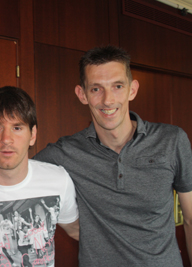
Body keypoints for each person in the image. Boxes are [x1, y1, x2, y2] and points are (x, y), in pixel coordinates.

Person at [34, 45, 192, 266]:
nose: (108, 100)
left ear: (132, 89)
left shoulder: (172, 140)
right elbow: (16, 177)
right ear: (82, 94)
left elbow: (191, 219)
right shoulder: (65, 152)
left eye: (117, 86)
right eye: (96, 89)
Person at [0, 86, 79, 267]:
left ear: (32, 135)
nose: (6, 139)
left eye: (17, 127)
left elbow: (78, 231)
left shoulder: (58, 180)